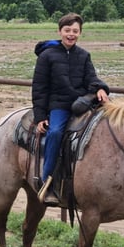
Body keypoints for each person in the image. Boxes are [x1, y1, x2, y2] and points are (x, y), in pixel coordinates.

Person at [31, 12, 109, 202]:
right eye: (67, 30)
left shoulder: (83, 55)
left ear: (80, 33)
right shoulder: (47, 56)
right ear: (59, 31)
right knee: (56, 132)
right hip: (59, 105)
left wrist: (100, 88)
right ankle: (46, 180)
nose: (71, 34)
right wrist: (40, 117)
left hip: (81, 103)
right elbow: (39, 88)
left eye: (75, 31)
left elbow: (91, 77)